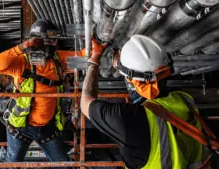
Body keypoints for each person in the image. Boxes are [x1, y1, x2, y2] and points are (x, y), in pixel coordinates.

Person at [81, 35, 205, 169]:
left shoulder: (127, 120)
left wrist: (95, 58)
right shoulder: (183, 98)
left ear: (131, 81)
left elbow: (85, 101)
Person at [0, 19, 85, 168]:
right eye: (49, 40)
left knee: (64, 166)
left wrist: (97, 41)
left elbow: (83, 57)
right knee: (12, 166)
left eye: (54, 40)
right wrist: (21, 48)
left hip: (47, 127)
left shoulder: (58, 60)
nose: (53, 44)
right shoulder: (23, 62)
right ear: (36, 41)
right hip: (21, 127)